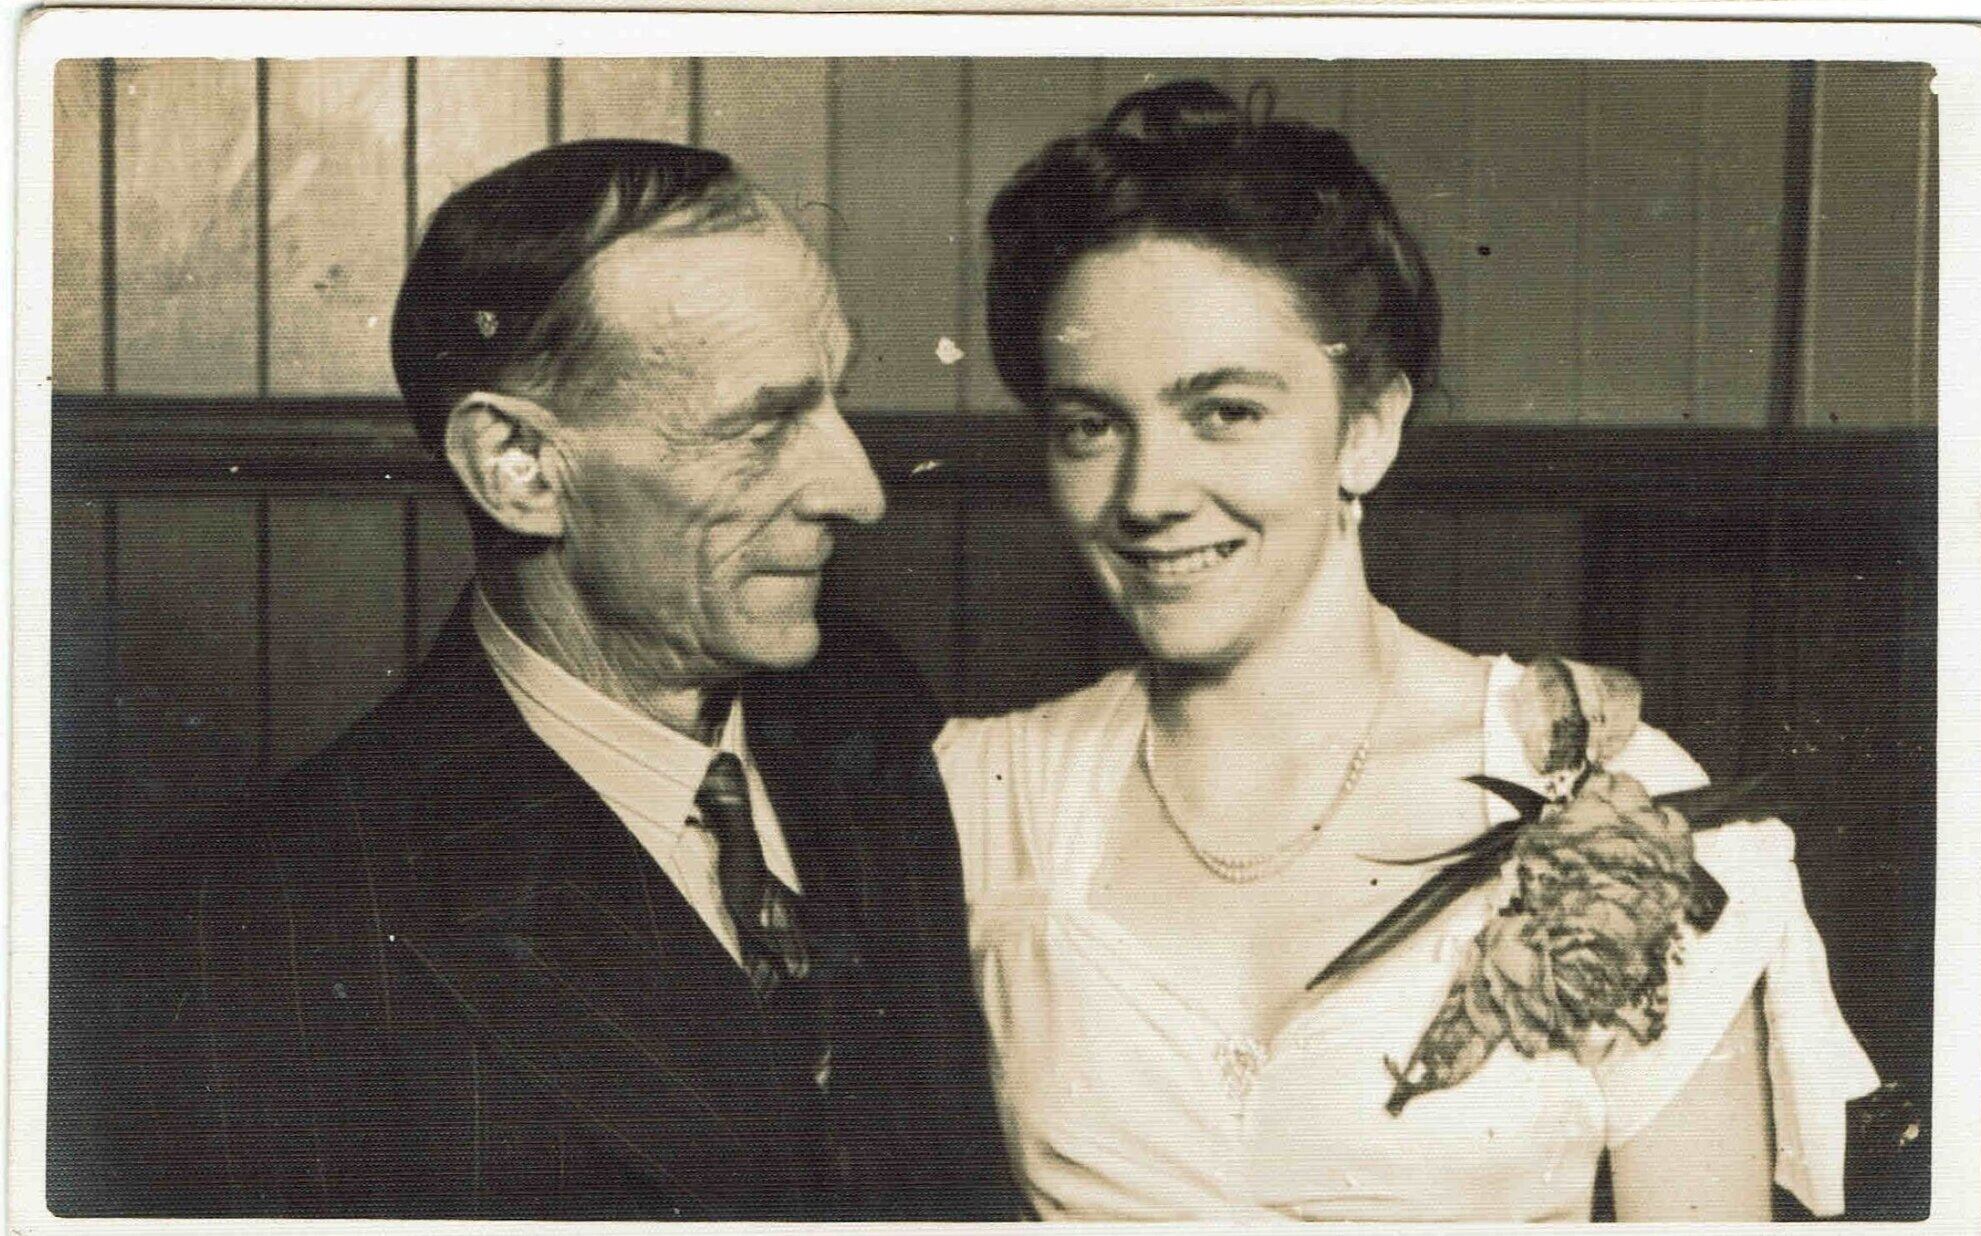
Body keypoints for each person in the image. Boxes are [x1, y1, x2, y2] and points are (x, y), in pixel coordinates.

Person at [935, 81, 1881, 1221]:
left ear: (1368, 428)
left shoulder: (1611, 801)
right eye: (1090, 425)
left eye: (1225, 412)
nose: (1146, 495)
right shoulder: (980, 797)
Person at [96, 140, 1021, 1220]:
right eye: (760, 424)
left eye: (834, 402)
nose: (859, 490)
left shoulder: (870, 714)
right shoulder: (258, 929)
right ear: (519, 470)